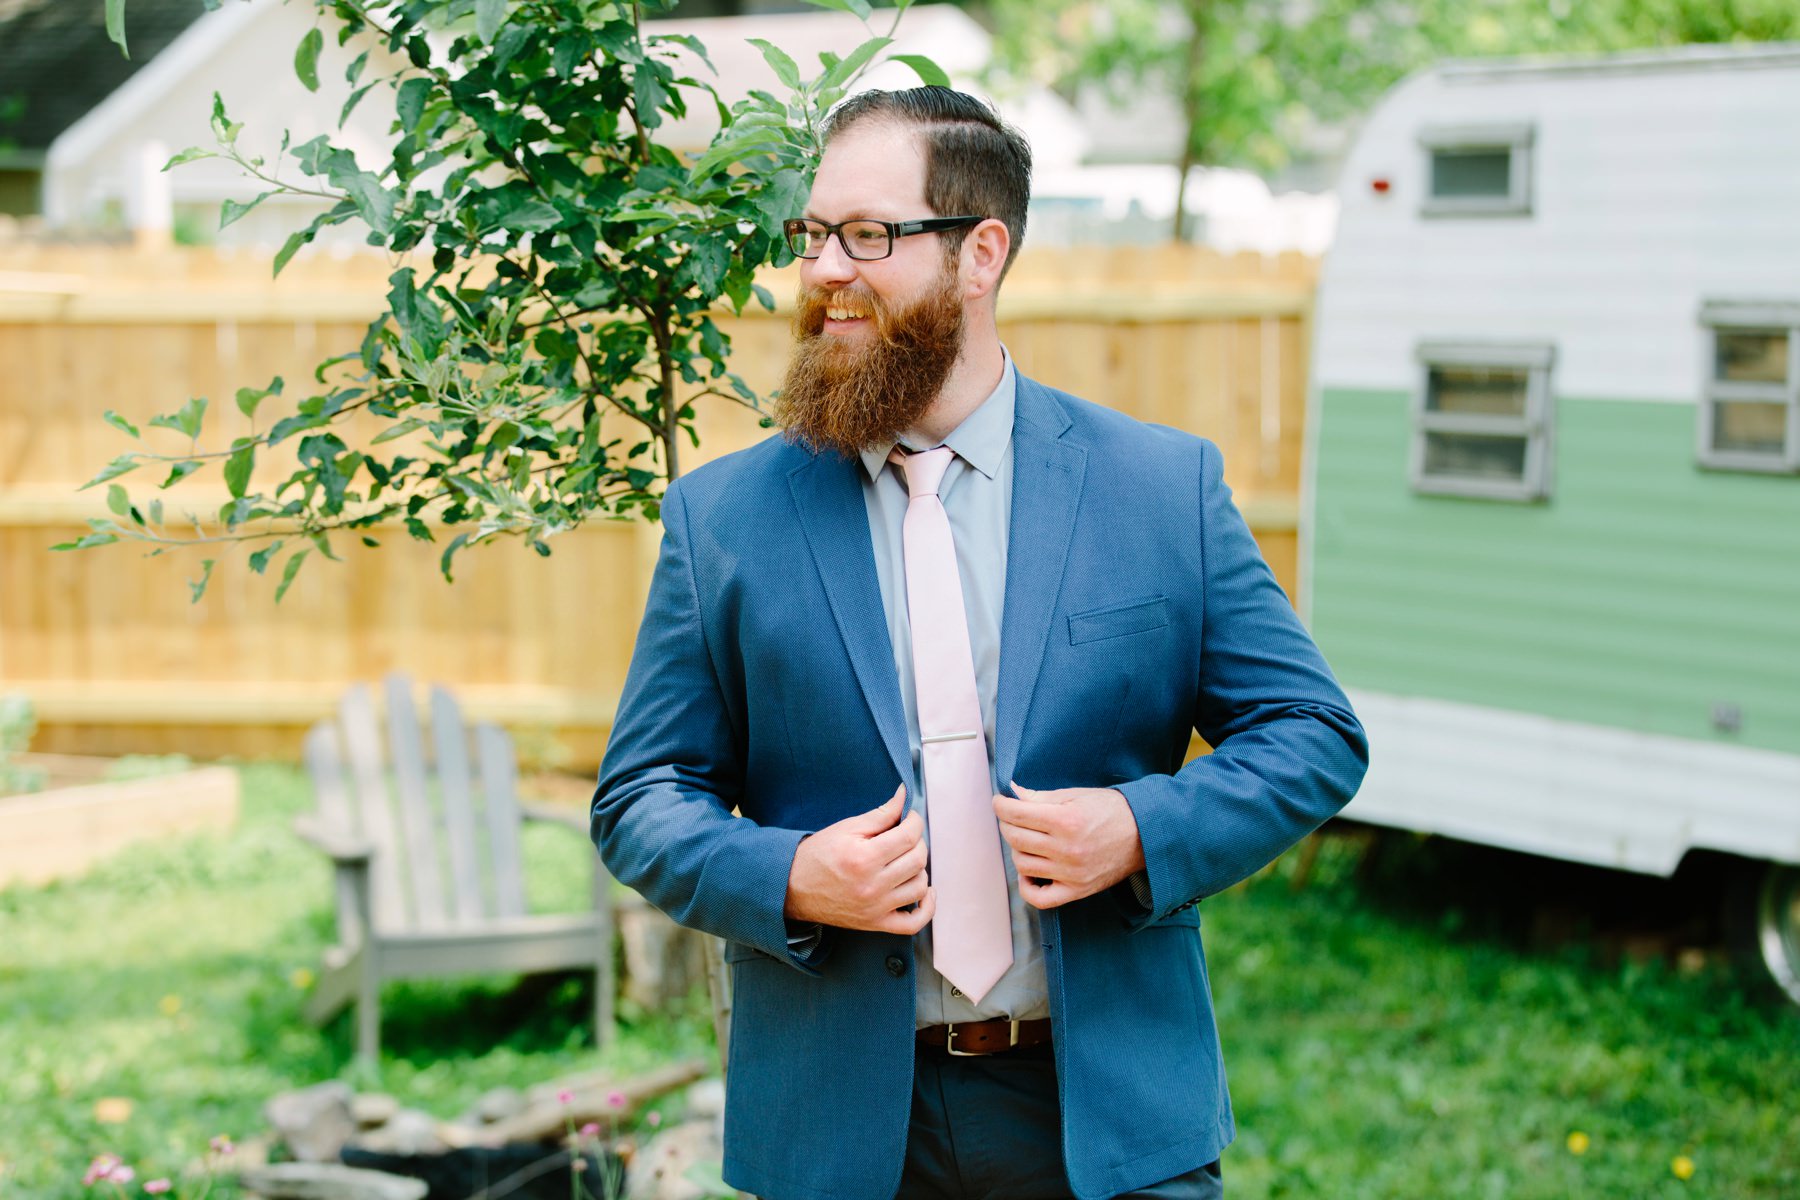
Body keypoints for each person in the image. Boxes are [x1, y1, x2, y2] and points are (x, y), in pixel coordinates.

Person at [591, 86, 1368, 1200]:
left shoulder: (1159, 489)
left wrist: (1141, 827)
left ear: (980, 253)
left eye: (868, 235)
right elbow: (638, 797)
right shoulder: (724, 520)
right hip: (838, 1130)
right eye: (812, 235)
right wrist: (791, 875)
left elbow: (1313, 733)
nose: (821, 271)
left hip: (1107, 1116)